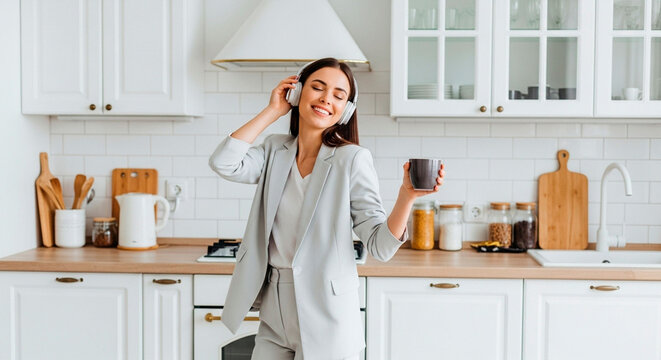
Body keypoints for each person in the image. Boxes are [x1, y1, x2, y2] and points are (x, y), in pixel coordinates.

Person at [209, 58, 445, 360]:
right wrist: (272, 111)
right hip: (273, 310)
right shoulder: (274, 149)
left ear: (346, 109)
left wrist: (406, 196)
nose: (325, 99)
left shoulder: (351, 159)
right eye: (317, 88)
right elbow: (223, 162)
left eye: (338, 95)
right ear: (296, 94)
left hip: (327, 317)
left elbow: (380, 246)